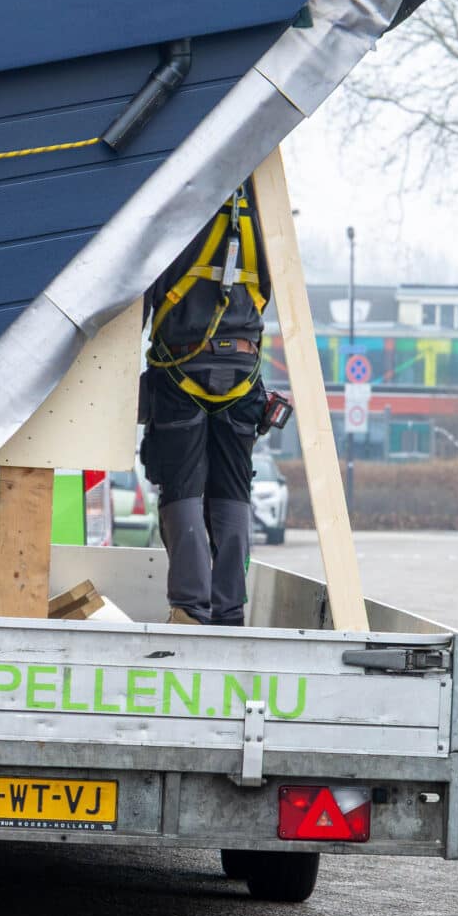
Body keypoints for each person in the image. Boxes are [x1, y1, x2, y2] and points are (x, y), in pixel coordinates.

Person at [140, 180, 270, 626]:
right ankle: (229, 610)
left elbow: (142, 289)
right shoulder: (259, 212)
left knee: (183, 487)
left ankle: (191, 609)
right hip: (243, 372)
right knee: (233, 489)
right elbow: (271, 285)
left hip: (181, 367)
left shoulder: (177, 204)